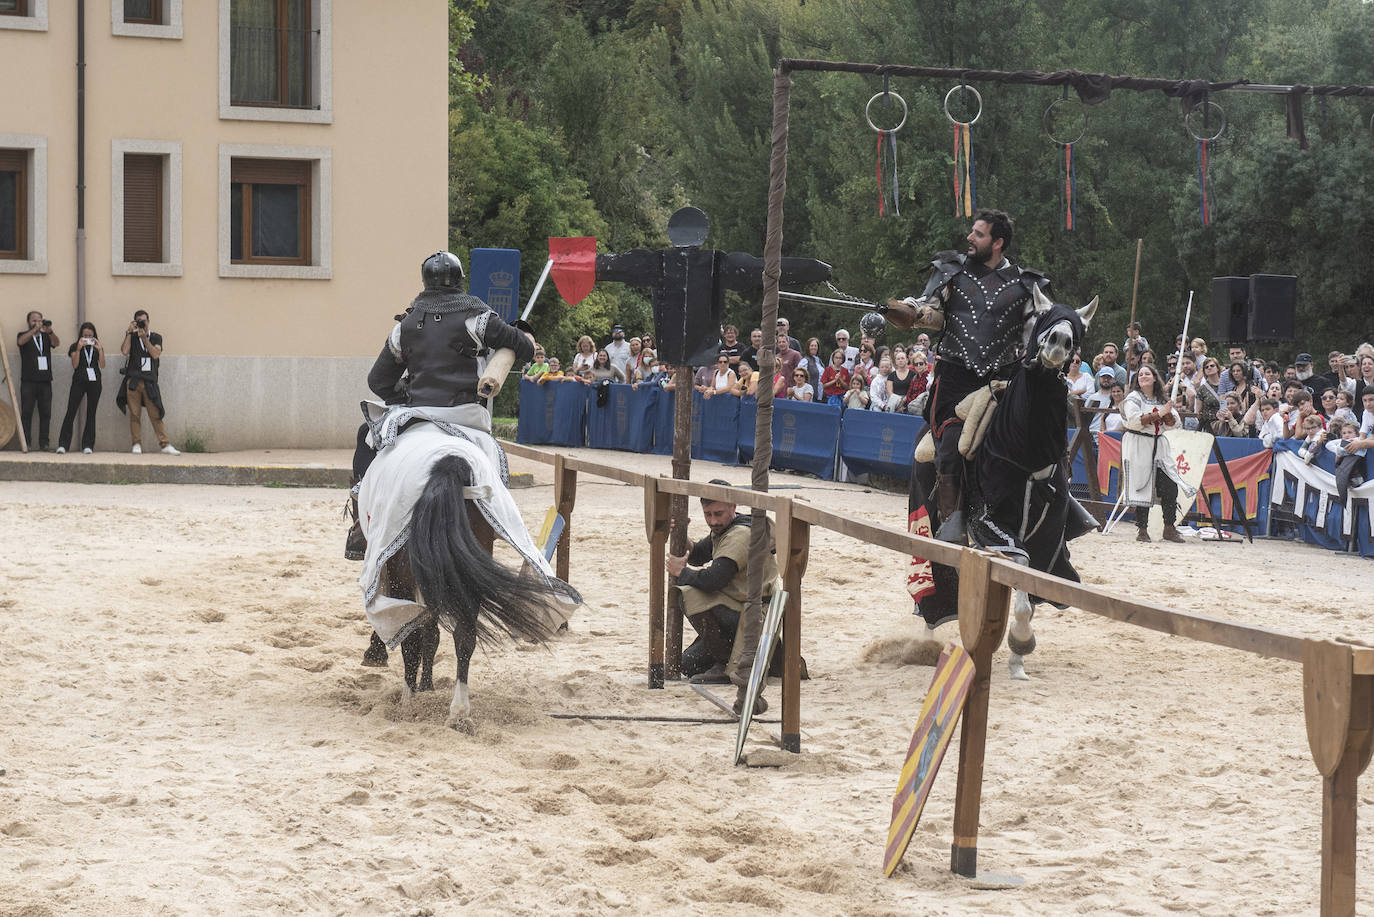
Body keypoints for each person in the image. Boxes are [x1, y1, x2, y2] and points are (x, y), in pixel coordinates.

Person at [666, 482, 778, 715]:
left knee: (686, 594)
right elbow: (698, 555)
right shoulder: (724, 528)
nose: (713, 521)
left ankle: (725, 660)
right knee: (688, 665)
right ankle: (722, 658)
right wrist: (682, 536)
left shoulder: (740, 534)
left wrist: (681, 573)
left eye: (718, 514)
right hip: (734, 607)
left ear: (733, 506)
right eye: (708, 515)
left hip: (749, 614)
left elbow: (713, 579)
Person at [1121, 364, 1189, 543]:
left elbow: (1174, 424)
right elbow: (1134, 421)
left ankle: (1169, 527)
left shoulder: (1162, 398)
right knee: (1142, 484)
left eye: (1147, 373)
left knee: (1169, 484)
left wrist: (1166, 414)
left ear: (1154, 377)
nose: (1144, 376)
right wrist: (1159, 413)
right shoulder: (1133, 398)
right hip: (1138, 443)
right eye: (1141, 374)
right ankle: (1142, 529)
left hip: (1159, 444)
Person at [117, 309, 178, 455]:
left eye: (144, 321)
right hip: (134, 381)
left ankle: (165, 444)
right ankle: (136, 444)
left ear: (148, 321)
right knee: (135, 414)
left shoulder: (156, 337)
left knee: (155, 413)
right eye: (139, 321)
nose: (142, 324)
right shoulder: (131, 337)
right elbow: (124, 351)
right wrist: (128, 333)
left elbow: (156, 354)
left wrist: (145, 339)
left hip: (150, 382)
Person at [56, 321, 105, 454]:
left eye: (90, 335)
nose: (88, 338)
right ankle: (63, 444)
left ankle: (88, 445)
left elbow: (103, 365)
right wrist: (78, 348)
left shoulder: (97, 347)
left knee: (91, 413)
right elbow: (75, 365)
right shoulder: (74, 346)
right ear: (80, 335)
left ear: (94, 335)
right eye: (85, 335)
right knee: (71, 411)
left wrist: (100, 349)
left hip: (95, 382)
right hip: (79, 381)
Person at [16, 310, 59, 451]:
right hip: (28, 381)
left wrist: (50, 331)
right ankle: (26, 442)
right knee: (27, 412)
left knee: (45, 413)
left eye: (39, 320)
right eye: (34, 320)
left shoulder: (46, 336)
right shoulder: (23, 335)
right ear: (28, 322)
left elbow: (56, 343)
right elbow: (20, 342)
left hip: (45, 381)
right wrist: (34, 330)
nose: (37, 323)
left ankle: (44, 443)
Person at [1325, 419, 1368, 506]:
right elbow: (1329, 445)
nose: (1347, 435)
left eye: (1349, 432)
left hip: (1358, 473)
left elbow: (1345, 451)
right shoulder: (1344, 442)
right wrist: (1338, 450)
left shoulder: (1358, 441)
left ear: (1357, 433)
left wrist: (1340, 452)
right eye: (1344, 433)